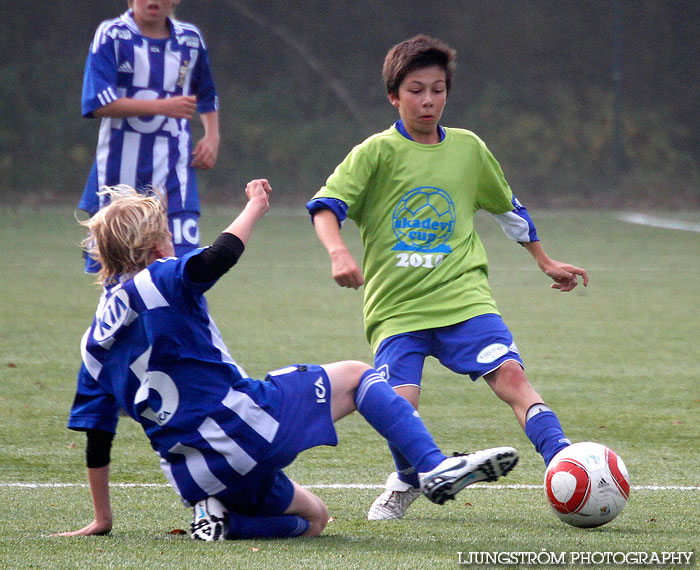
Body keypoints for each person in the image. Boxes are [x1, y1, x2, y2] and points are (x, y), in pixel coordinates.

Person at [56, 180, 519, 541]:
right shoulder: (159, 277)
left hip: (196, 475)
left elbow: (97, 434)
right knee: (360, 376)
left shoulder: (93, 342)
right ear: (156, 248)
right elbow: (218, 257)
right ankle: (432, 466)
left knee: (314, 519)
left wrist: (102, 518)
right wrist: (256, 204)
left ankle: (223, 520)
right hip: (246, 429)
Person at [306, 35, 589, 521]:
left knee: (513, 377)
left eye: (438, 89)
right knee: (397, 406)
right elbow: (325, 207)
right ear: (395, 96)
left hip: (465, 299)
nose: (429, 100)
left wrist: (544, 261)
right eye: (416, 90)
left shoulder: (468, 149)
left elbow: (509, 208)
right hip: (398, 308)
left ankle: (568, 462)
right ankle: (411, 477)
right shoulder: (375, 152)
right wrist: (338, 253)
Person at [79, 0, 219, 272]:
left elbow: (206, 92)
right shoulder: (113, 35)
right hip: (118, 182)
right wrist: (162, 106)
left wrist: (211, 137)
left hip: (174, 179)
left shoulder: (190, 40)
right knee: (117, 275)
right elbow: (97, 102)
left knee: (182, 268)